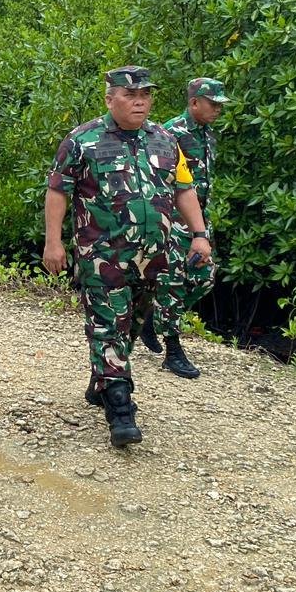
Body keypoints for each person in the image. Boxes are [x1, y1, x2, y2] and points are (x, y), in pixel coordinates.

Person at [42, 66, 211, 448]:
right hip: (103, 256)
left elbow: (183, 189)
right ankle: (120, 409)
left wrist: (199, 235)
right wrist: (54, 242)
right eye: (130, 95)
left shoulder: (165, 140)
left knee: (132, 322)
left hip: (153, 257)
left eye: (145, 95)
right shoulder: (82, 140)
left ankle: (102, 378)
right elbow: (57, 191)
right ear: (109, 99)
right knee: (107, 325)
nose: (140, 102)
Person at [150, 77, 230, 379]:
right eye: (213, 104)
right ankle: (172, 350)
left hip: (197, 221)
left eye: (220, 105)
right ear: (195, 102)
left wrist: (201, 226)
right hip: (172, 220)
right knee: (173, 280)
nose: (218, 110)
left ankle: (153, 316)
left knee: (204, 278)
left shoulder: (208, 135)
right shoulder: (171, 133)